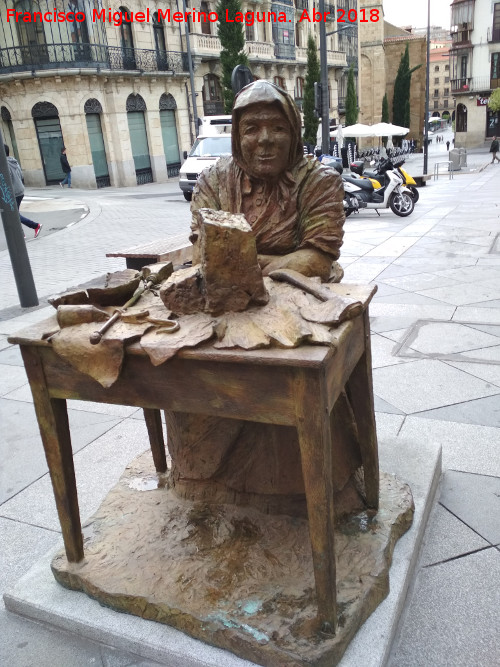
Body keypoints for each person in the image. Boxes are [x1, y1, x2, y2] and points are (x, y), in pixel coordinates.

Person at [164, 81, 364, 519]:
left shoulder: (319, 180)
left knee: (289, 380)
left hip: (298, 303)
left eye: (276, 127)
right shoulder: (216, 179)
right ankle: (204, 483)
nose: (265, 139)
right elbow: (205, 247)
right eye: (251, 128)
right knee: (190, 368)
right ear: (237, 135)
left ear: (293, 130)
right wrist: (266, 260)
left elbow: (318, 254)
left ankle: (300, 494)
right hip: (227, 302)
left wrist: (248, 261)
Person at [4, 144, 42, 239]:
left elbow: (7, 179)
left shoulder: (5, 164)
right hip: (20, 190)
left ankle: (35, 226)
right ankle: (21, 233)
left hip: (13, 193)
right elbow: (21, 175)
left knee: (14, 215)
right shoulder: (14, 161)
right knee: (14, 213)